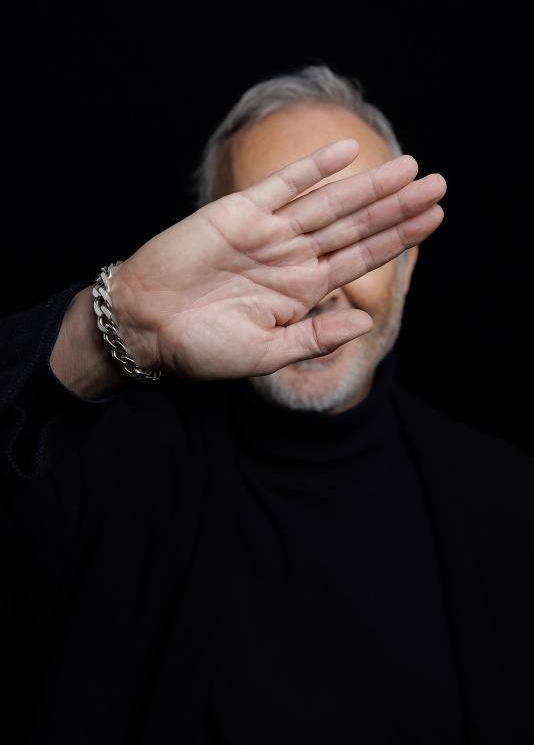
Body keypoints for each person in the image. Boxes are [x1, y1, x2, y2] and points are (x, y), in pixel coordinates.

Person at [1, 64, 533, 745]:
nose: (317, 288)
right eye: (277, 242)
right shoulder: (92, 472)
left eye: (355, 240)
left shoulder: (511, 504)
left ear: (408, 265)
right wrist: (116, 328)